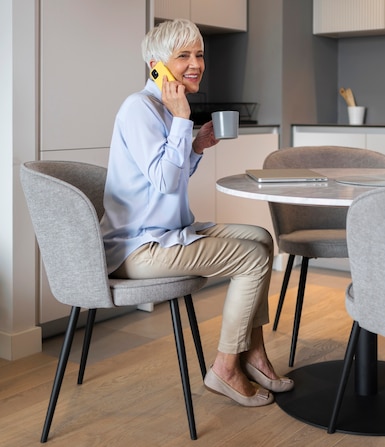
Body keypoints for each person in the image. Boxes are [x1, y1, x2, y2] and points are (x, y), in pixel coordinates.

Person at [100, 18, 293, 407]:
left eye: (199, 54)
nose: (196, 64)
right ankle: (225, 367)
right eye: (183, 55)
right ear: (156, 65)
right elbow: (166, 183)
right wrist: (184, 121)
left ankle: (252, 354)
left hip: (168, 235)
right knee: (252, 258)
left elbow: (173, 173)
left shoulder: (164, 109)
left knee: (260, 238)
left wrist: (196, 145)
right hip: (140, 248)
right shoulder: (140, 108)